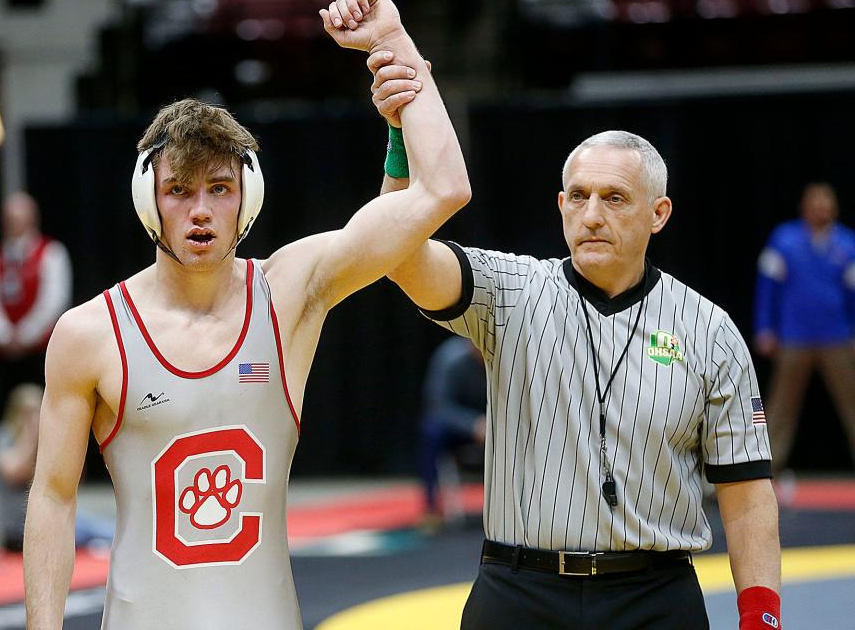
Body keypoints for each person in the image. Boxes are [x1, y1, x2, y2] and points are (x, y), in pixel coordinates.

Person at [23, 0, 469, 630]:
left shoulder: (290, 292)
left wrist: (392, 43)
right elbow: (53, 496)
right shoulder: (90, 333)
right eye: (178, 190)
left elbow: (444, 189)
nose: (200, 209)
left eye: (219, 188)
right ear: (148, 201)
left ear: (247, 198)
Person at [365, 85, 782, 628]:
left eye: (613, 198)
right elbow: (397, 255)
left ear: (659, 214)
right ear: (560, 204)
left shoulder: (709, 330)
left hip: (654, 599)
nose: (591, 215)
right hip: (518, 594)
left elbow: (746, 491)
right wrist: (400, 141)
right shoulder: (508, 291)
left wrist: (762, 619)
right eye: (578, 196)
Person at [754, 181, 855, 473]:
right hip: (793, 337)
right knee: (781, 407)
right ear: (805, 208)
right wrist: (765, 327)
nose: (821, 210)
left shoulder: (847, 244)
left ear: (833, 208)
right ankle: (766, 469)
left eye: (826, 204)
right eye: (816, 204)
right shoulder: (784, 240)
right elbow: (767, 288)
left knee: (852, 404)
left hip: (837, 336)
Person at [0, 191, 72, 426]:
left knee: (46, 410)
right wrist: (3, 334)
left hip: (40, 354)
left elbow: (55, 300)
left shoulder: (51, 253)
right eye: (10, 219)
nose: (14, 225)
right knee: (1, 412)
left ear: (32, 219)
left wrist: (25, 335)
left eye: (20, 219)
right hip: (3, 356)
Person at [0, 384, 113, 553]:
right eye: (28, 412)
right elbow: (14, 472)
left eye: (39, 410)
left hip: (53, 519)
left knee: (109, 530)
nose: (36, 417)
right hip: (18, 529)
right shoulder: (3, 435)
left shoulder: (47, 438)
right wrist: (30, 436)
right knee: (104, 532)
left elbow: (72, 482)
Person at [419, 336, 486, 524]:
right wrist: (473, 424)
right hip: (460, 430)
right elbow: (438, 407)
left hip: (497, 425)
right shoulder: (450, 358)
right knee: (432, 430)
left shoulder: (505, 358)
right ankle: (430, 507)